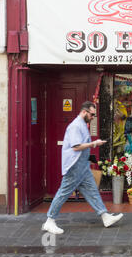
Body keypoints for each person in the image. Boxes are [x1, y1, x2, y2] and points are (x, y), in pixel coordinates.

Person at [42, 101, 123, 235]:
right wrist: (94, 144)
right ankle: (50, 221)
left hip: (82, 166)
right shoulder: (75, 126)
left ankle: (105, 216)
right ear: (84, 112)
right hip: (74, 166)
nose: (93, 117)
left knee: (92, 191)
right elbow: (76, 146)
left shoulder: (82, 124)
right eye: (92, 114)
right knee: (64, 192)